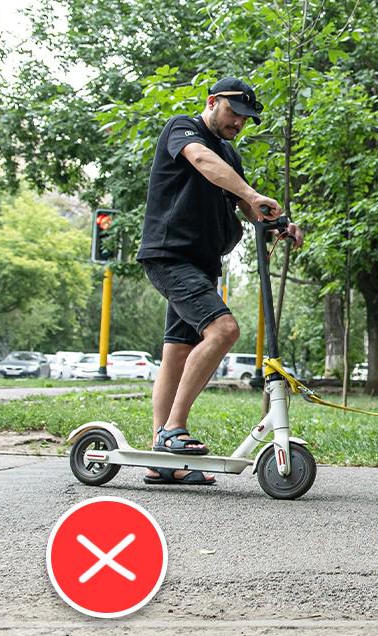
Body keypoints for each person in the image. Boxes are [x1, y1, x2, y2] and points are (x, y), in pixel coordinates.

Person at [136, 76, 302, 485]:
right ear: (212, 102)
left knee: (177, 350)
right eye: (234, 113)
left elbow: (246, 204)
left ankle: (162, 457)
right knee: (224, 329)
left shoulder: (229, 153)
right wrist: (250, 192)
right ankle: (174, 431)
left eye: (246, 118)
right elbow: (205, 164)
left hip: (202, 261)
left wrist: (278, 223)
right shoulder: (183, 128)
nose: (239, 123)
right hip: (170, 254)